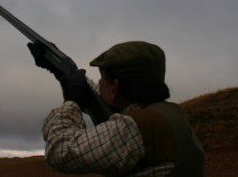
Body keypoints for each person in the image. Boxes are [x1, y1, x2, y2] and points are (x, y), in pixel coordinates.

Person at [28, 41, 205, 176]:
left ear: (115, 88)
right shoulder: (169, 114)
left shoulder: (130, 128)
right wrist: (62, 72)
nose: (98, 83)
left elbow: (60, 152)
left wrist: (72, 102)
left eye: (102, 79)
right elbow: (100, 95)